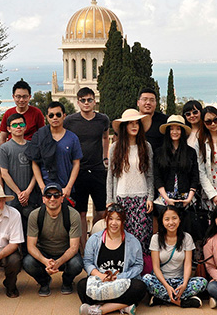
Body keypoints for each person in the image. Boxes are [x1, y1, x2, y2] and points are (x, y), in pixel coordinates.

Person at [78, 204, 146, 315]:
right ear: (106, 220)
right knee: (81, 286)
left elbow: (139, 265)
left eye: (118, 219)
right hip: (101, 281)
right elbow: (87, 262)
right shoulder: (94, 240)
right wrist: (100, 275)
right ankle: (123, 306)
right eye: (111, 219)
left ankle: (100, 309)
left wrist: (120, 277)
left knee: (140, 287)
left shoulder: (132, 241)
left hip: (121, 281)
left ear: (123, 221)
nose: (114, 223)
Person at [64, 87, 110, 248]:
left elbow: (105, 137)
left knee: (101, 211)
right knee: (81, 213)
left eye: (89, 100)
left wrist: (105, 156)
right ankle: (84, 248)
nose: (86, 103)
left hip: (98, 170)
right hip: (79, 171)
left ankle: (94, 241)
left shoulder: (103, 119)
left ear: (94, 101)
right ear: (78, 102)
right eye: (83, 100)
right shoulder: (70, 121)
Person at [107, 108, 154, 257]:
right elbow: (110, 176)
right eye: (130, 123)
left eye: (137, 123)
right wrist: (110, 200)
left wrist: (150, 197)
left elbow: (150, 174)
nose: (134, 126)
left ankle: (139, 273)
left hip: (141, 199)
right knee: (122, 237)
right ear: (124, 127)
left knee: (141, 238)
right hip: (121, 198)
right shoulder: (115, 148)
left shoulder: (146, 147)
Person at [23, 184, 84, 296]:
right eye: (48, 195)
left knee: (77, 264)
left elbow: (74, 247)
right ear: (43, 199)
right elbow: (31, 246)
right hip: (44, 254)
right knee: (28, 262)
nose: (52, 199)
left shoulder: (73, 215)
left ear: (62, 198)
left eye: (56, 195)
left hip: (65, 254)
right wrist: (45, 261)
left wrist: (58, 262)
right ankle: (44, 282)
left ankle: (67, 282)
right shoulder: (35, 215)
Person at [142, 206, 207, 308]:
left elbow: (187, 264)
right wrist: (167, 287)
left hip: (180, 281)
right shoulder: (156, 238)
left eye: (174, 218)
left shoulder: (187, 238)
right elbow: (156, 267)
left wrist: (185, 283)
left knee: (202, 282)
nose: (171, 222)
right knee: (146, 279)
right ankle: (182, 302)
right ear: (162, 221)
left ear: (179, 220)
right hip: (162, 281)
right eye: (167, 219)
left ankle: (161, 298)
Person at [0, 113, 41, 253]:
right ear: (9, 129)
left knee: (31, 230)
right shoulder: (4, 148)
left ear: (25, 127)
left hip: (31, 197)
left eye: (21, 124)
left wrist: (27, 191)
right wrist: (18, 193)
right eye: (15, 125)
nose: (18, 127)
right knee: (13, 232)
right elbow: (4, 173)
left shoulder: (31, 146)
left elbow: (36, 172)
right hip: (12, 198)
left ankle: (30, 258)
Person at [27, 101, 82, 204]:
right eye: (51, 115)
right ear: (47, 117)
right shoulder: (39, 136)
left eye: (58, 115)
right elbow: (35, 163)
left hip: (65, 189)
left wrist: (68, 187)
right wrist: (42, 187)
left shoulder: (72, 138)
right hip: (46, 190)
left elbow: (76, 163)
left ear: (64, 116)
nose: (55, 118)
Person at [153, 115, 199, 215]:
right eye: (171, 129)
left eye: (178, 129)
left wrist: (189, 198)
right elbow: (157, 177)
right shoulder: (159, 152)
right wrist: (167, 198)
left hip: (187, 199)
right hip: (165, 198)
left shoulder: (191, 152)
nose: (175, 132)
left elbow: (195, 176)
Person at [0, 79, 45, 144]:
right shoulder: (8, 113)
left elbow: (43, 136)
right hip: (11, 150)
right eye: (18, 97)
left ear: (29, 97)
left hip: (31, 150)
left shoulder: (37, 113)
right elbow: (2, 138)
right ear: (13, 97)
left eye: (25, 97)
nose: (21, 100)